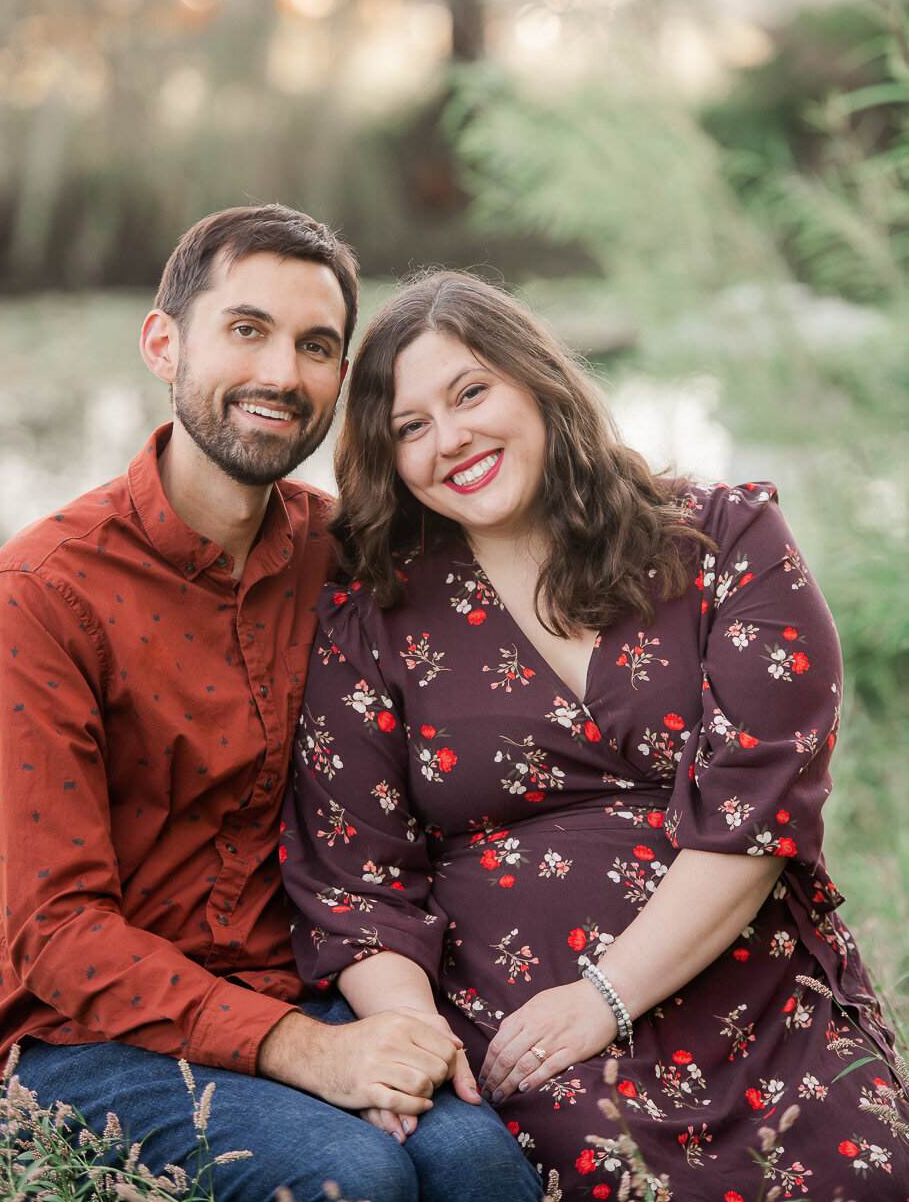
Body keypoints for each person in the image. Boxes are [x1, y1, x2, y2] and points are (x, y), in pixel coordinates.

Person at [281, 270, 909, 1201]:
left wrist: (603, 997)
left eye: (470, 393)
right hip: (523, 1031)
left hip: (757, 1000)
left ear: (536, 382)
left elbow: (757, 808)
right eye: (409, 428)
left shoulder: (724, 540)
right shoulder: (370, 618)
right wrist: (413, 1046)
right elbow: (358, 883)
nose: (450, 440)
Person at [0, 214, 544, 1202]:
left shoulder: (344, 555)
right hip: (75, 1033)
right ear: (164, 343)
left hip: (300, 990)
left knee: (482, 1163)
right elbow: (59, 931)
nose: (283, 370)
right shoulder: (42, 588)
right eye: (247, 329)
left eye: (317, 345)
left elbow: (521, 576)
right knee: (352, 1177)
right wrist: (307, 1056)